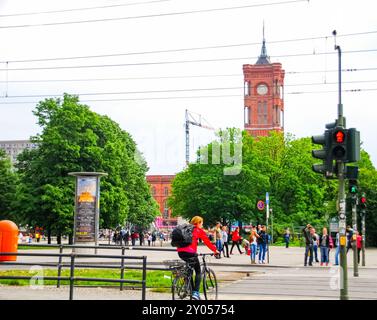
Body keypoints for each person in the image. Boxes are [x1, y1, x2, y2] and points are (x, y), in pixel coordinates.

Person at [177, 216, 219, 300]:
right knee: (198, 271)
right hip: (191, 253)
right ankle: (195, 293)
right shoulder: (198, 230)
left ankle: (189, 289)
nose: (202, 225)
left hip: (180, 252)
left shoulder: (186, 228)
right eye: (202, 223)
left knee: (189, 271)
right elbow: (207, 242)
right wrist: (215, 250)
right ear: (198, 222)